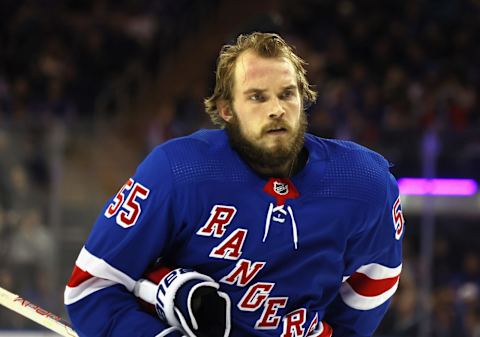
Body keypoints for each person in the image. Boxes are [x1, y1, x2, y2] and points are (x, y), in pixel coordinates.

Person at [65, 32, 404, 337]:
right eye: (257, 97)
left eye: (287, 94)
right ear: (226, 110)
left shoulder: (365, 182)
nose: (276, 110)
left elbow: (376, 279)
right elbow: (91, 287)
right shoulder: (177, 171)